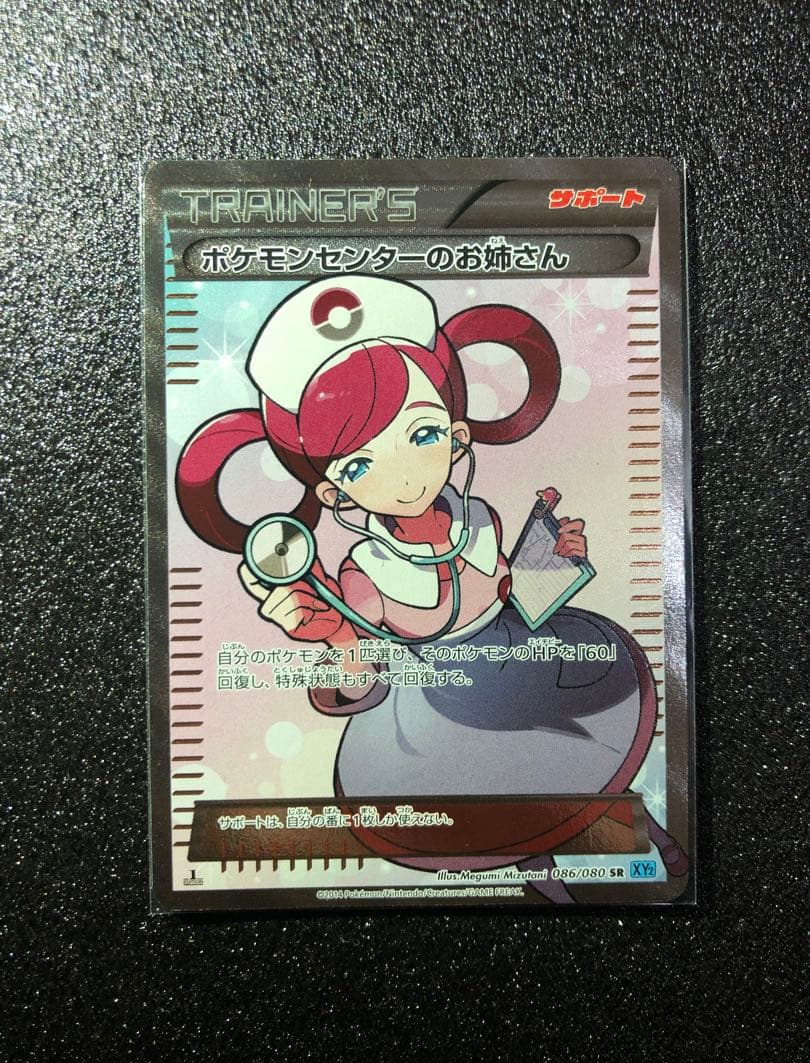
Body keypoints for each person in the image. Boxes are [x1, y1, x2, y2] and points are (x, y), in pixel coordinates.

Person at [177, 275, 687, 902]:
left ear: (456, 434)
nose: (404, 475)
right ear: (334, 493)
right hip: (441, 715)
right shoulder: (365, 573)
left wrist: (553, 561)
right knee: (504, 812)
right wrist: (336, 636)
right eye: (360, 464)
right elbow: (361, 682)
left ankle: (648, 847)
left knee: (585, 764)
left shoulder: (479, 516)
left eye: (421, 435)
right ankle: (549, 887)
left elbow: (509, 591)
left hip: (529, 666)